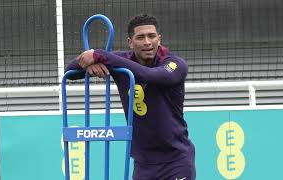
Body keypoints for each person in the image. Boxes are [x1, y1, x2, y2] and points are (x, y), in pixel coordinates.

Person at [66, 14, 196, 180]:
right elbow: (70, 72)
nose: (147, 42)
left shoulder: (175, 64)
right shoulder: (120, 62)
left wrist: (100, 55)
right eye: (140, 37)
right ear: (130, 42)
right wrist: (92, 63)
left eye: (152, 36)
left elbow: (150, 75)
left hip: (176, 162)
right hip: (143, 165)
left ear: (159, 39)